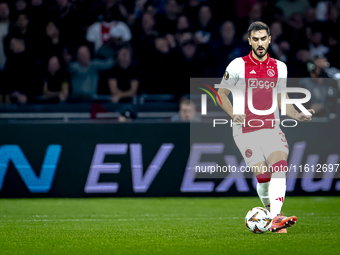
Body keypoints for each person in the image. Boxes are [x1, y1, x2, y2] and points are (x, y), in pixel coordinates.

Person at [217, 21, 315, 233]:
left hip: (271, 127)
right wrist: (233, 114)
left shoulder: (280, 67)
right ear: (249, 40)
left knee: (279, 165)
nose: (260, 43)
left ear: (269, 39)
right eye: (256, 39)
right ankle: (273, 216)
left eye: (263, 39)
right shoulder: (237, 65)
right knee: (263, 177)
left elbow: (283, 100)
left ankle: (276, 218)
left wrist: (298, 114)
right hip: (244, 129)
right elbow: (221, 94)